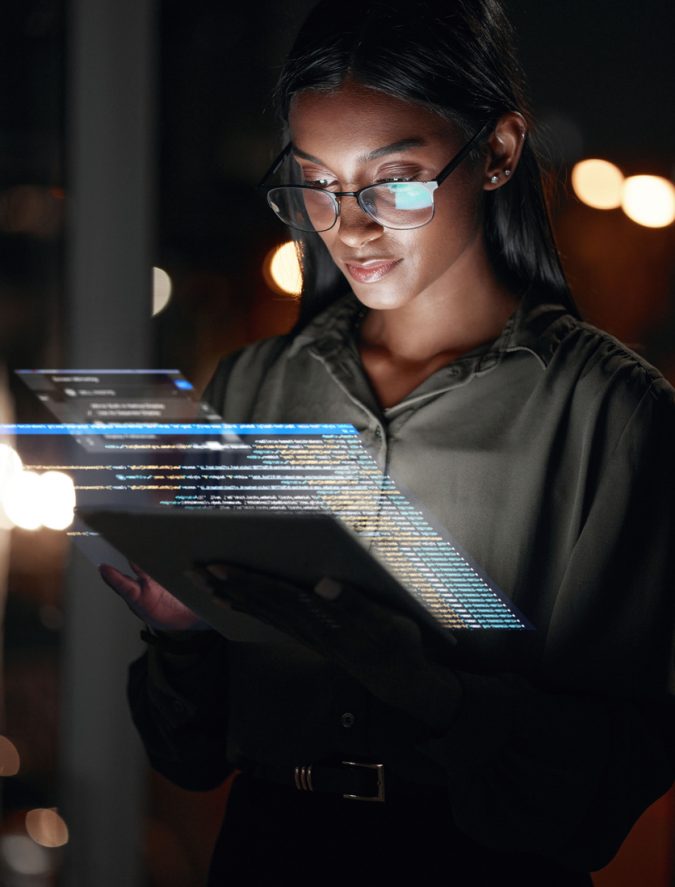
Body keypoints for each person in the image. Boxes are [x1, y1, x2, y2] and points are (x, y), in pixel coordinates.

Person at [99, 0, 675, 883]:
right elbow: (186, 758)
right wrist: (182, 634)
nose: (348, 225)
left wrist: (429, 690)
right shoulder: (251, 389)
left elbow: (596, 789)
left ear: (497, 152)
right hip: (265, 853)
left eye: (394, 180)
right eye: (316, 183)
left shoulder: (609, 418)